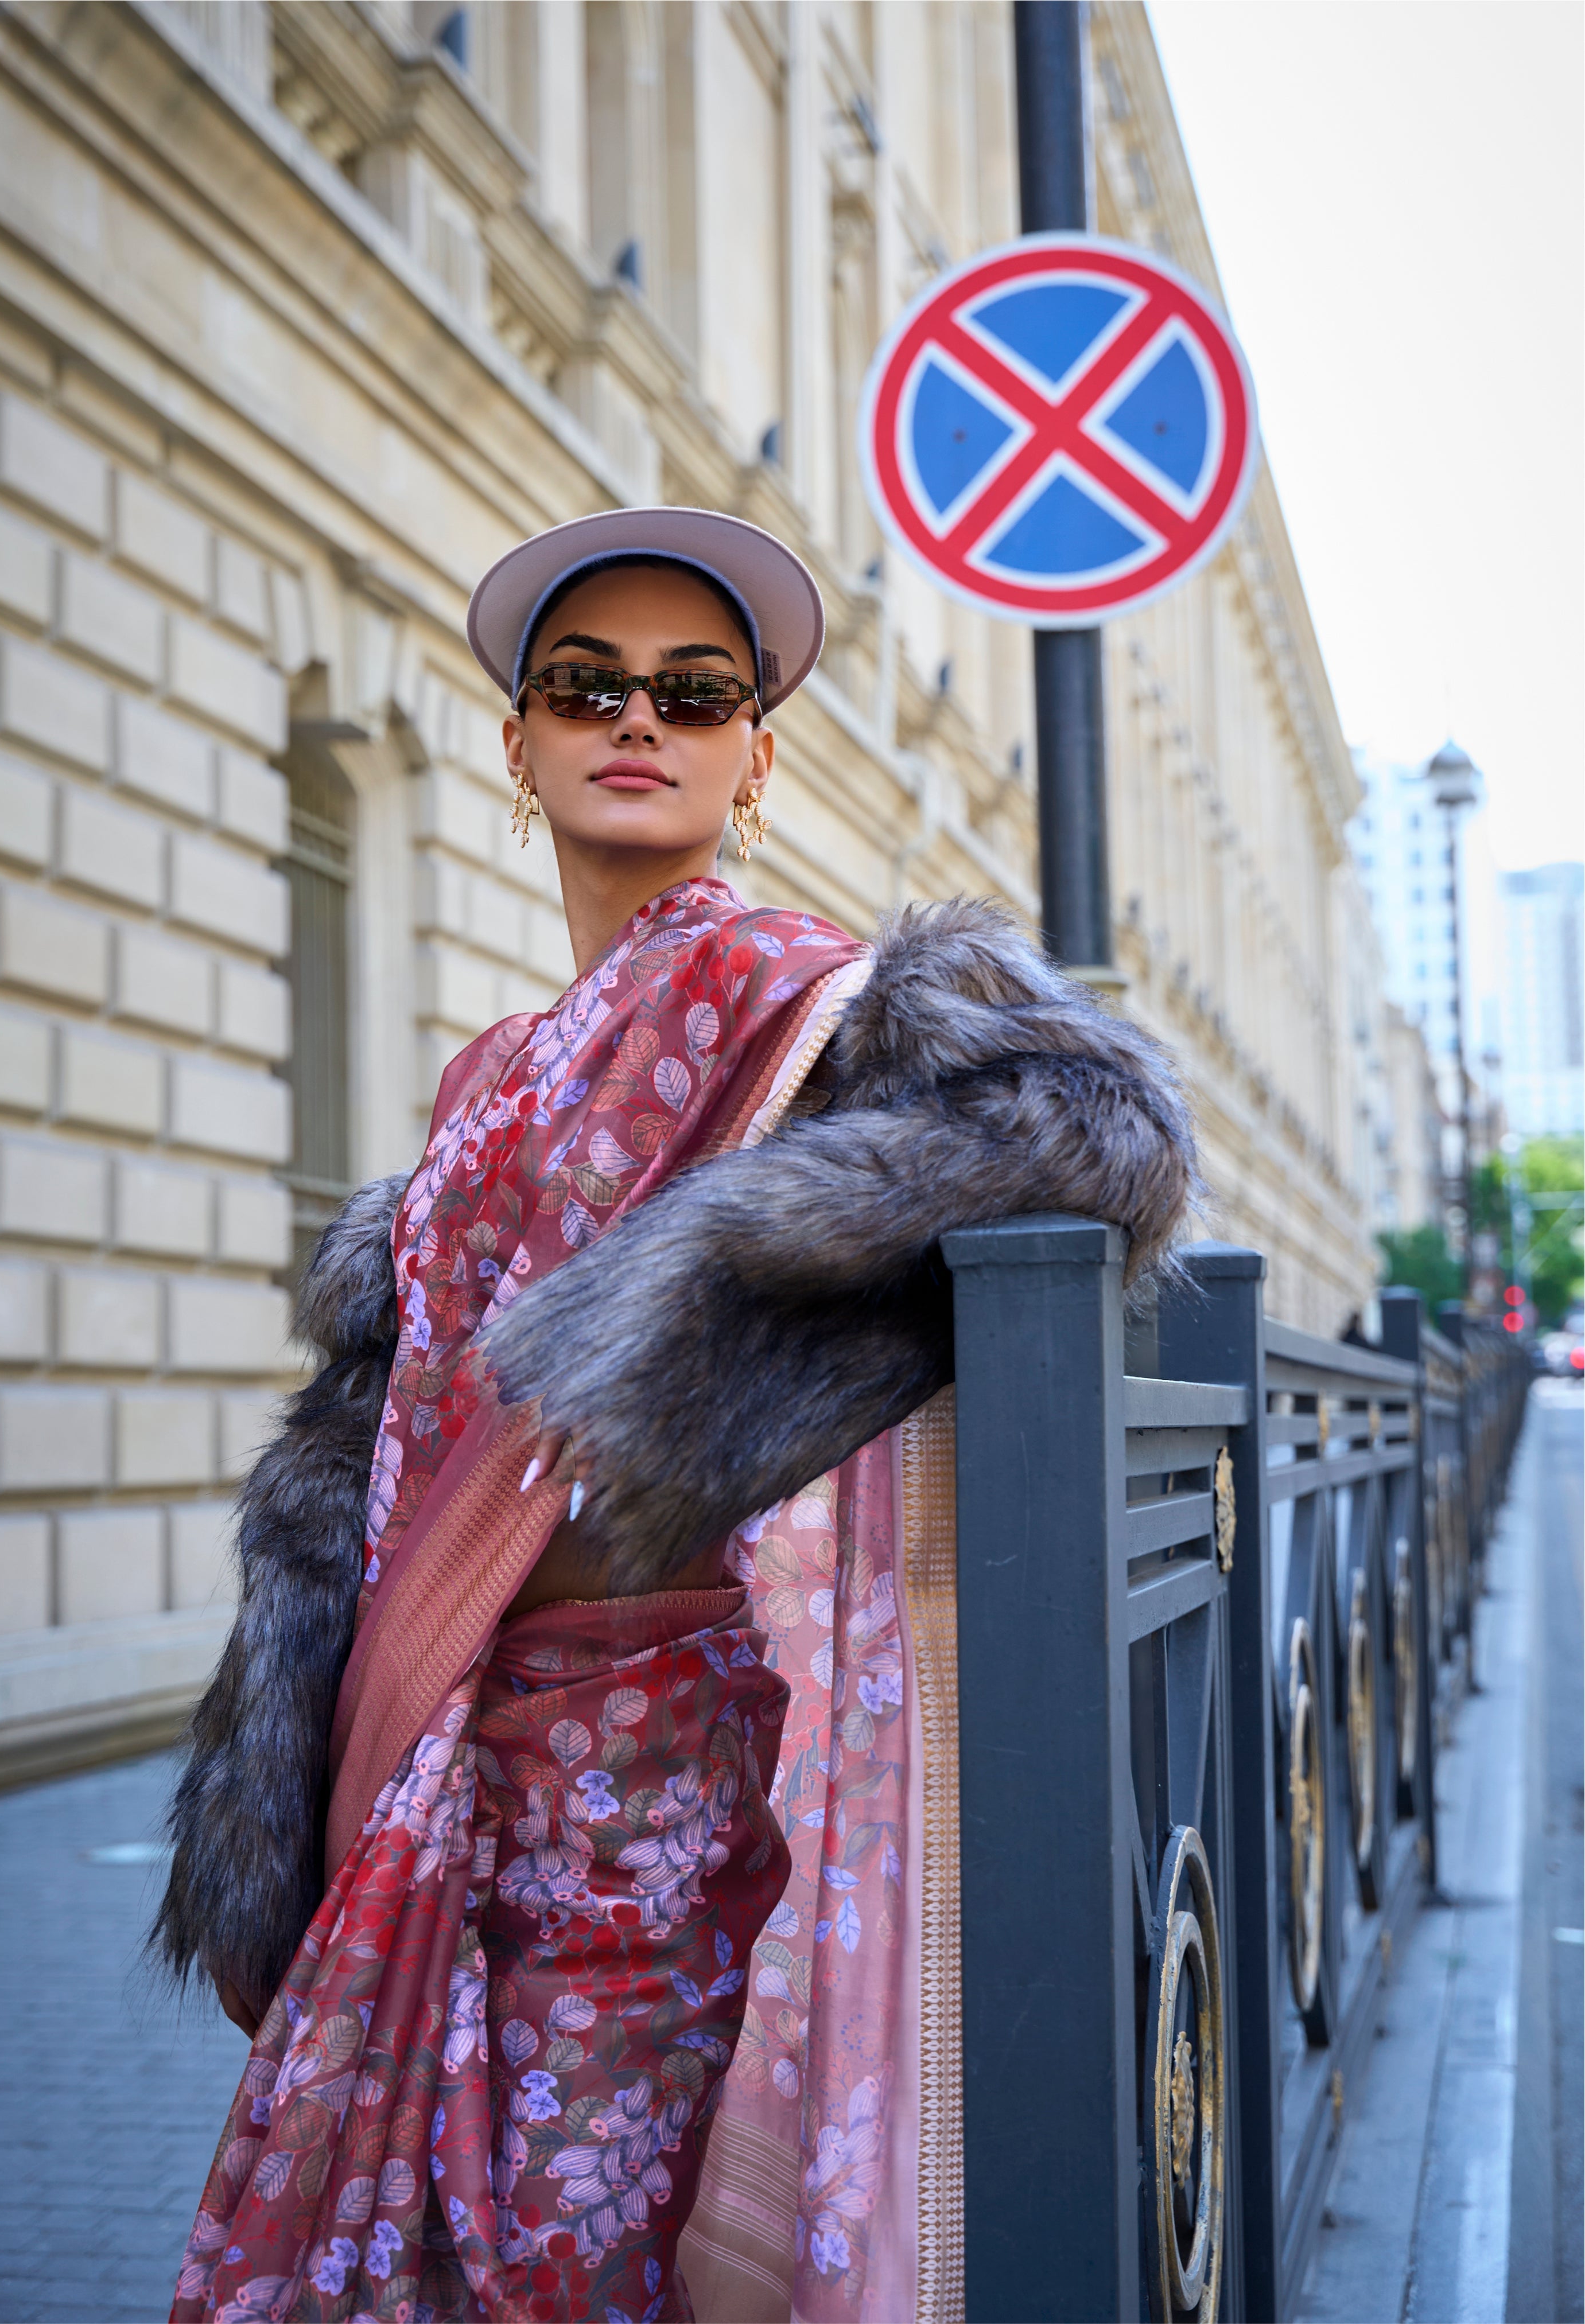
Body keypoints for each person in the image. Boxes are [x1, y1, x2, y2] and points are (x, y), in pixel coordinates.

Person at [157, 508, 1195, 2324]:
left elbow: (1097, 1129)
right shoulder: (487, 1078)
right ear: (519, 742)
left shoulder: (803, 999)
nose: (636, 717)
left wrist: (705, 1321)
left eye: (693, 693)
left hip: (643, 1775)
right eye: (584, 685)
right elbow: (377, 1437)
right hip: (414, 1759)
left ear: (754, 757)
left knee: (570, 2249)